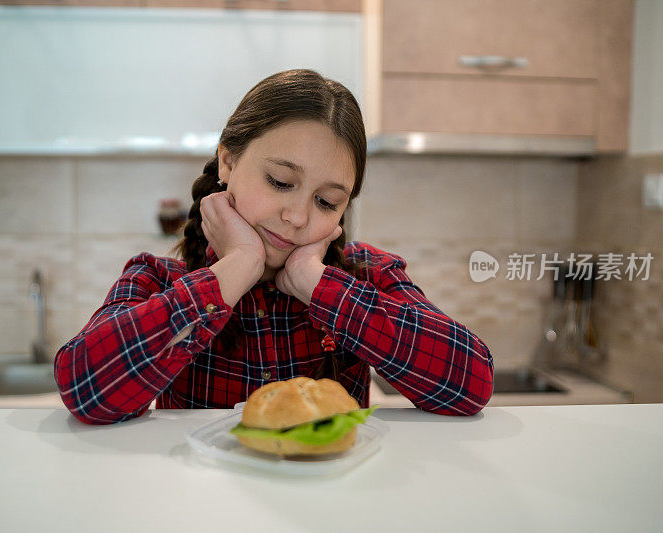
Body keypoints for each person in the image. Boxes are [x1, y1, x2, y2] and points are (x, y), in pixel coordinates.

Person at [54, 69, 494, 424]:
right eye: (280, 182)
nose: (298, 217)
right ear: (228, 161)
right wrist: (236, 268)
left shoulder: (366, 276)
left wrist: (316, 285)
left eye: (326, 202)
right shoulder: (158, 278)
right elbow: (85, 390)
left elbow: (471, 383)